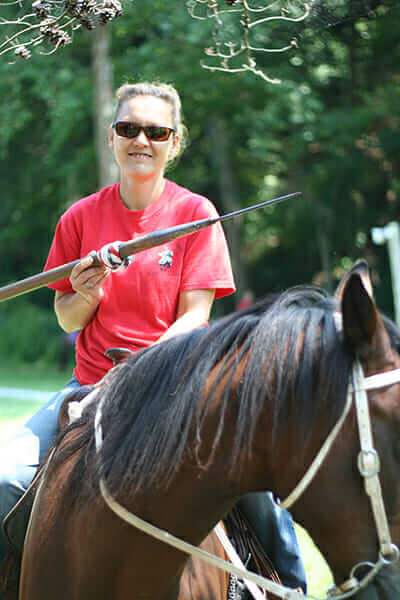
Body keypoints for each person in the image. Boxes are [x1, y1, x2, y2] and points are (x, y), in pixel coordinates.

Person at [0, 80, 305, 593]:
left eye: (155, 131)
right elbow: (67, 319)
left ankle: (292, 589)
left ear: (174, 142)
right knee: (6, 479)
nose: (141, 140)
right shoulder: (79, 218)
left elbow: (194, 320)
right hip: (89, 390)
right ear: (112, 137)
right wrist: (88, 291)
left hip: (176, 389)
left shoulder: (195, 214)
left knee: (264, 493)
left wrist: (140, 371)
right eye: (129, 128)